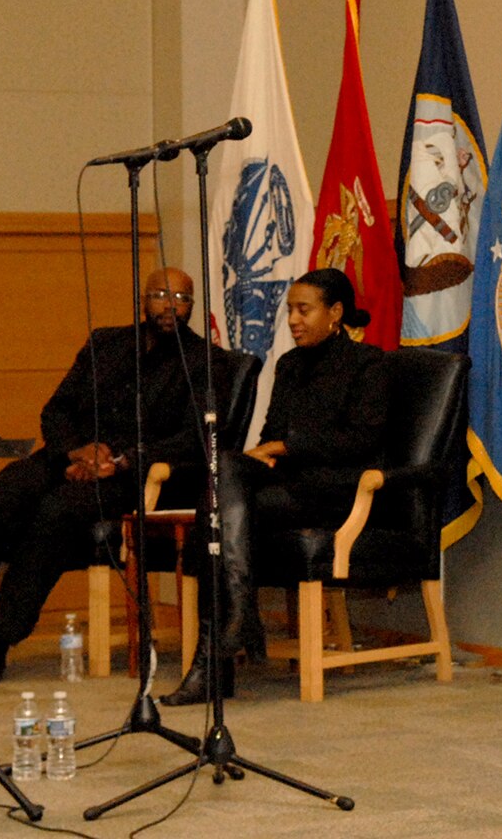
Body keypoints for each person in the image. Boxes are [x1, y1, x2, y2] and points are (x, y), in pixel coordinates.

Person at [0, 266, 216, 689]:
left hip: (129, 475)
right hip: (67, 457)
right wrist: (73, 452)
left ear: (192, 307)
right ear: (143, 299)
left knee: (56, 513)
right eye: (161, 294)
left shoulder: (204, 361)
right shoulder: (106, 343)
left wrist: (119, 460)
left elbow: (192, 439)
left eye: (182, 299)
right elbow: (57, 408)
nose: (170, 306)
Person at [161, 267, 389, 705]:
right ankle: (235, 623)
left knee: (214, 518)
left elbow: (363, 441)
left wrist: (287, 445)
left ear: (335, 312)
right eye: (289, 310)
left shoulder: (368, 364)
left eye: (304, 310)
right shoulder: (288, 365)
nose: (293, 320)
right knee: (224, 476)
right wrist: (264, 452)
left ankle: (215, 664)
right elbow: (269, 434)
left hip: (334, 491)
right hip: (285, 485)